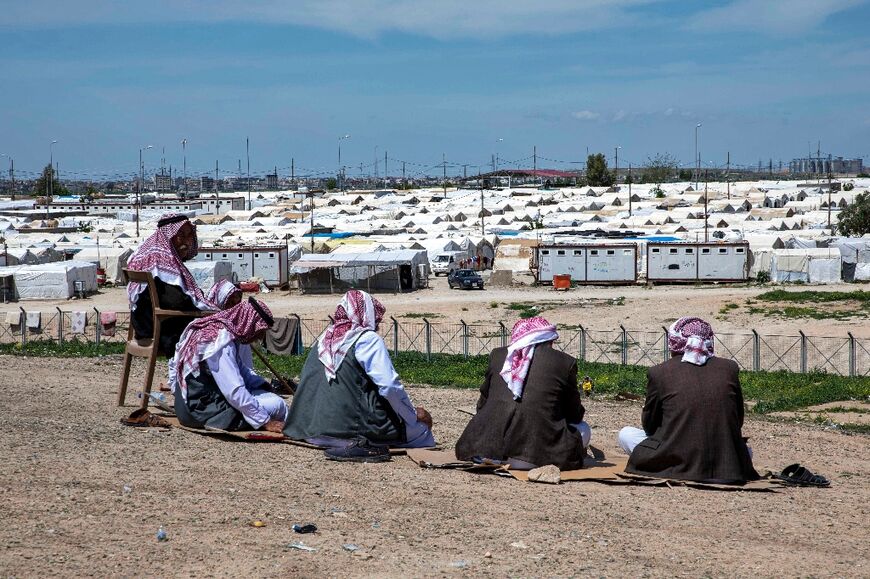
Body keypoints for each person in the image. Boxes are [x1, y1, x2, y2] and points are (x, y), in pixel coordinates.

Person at [283, 290, 435, 457]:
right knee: (422, 433)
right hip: (348, 433)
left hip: (309, 431)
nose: (377, 325)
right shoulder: (367, 339)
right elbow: (390, 387)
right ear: (367, 314)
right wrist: (412, 416)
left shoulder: (323, 339)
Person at [617, 317, 759, 484]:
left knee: (626, 434)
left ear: (674, 341)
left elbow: (650, 425)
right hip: (725, 462)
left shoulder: (659, 372)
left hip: (675, 458)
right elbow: (737, 421)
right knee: (745, 451)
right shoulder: (729, 368)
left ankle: (674, 464)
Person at [455, 317, 591, 470]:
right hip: (532, 458)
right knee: (584, 428)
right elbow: (574, 415)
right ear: (548, 340)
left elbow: (482, 404)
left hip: (482, 451)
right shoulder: (564, 362)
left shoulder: (498, 355)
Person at [171, 297, 288, 432]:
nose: (260, 337)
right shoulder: (220, 341)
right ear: (249, 324)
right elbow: (234, 390)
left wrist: (263, 385)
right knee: (278, 404)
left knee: (266, 395)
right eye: (260, 331)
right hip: (202, 411)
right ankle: (297, 430)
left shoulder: (211, 329)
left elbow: (242, 371)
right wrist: (265, 421)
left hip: (184, 405)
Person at [127, 213, 216, 356]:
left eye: (189, 235)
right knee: (221, 334)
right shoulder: (160, 260)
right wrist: (202, 309)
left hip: (145, 325)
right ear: (168, 235)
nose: (187, 242)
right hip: (161, 329)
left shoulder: (147, 253)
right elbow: (176, 300)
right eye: (181, 235)